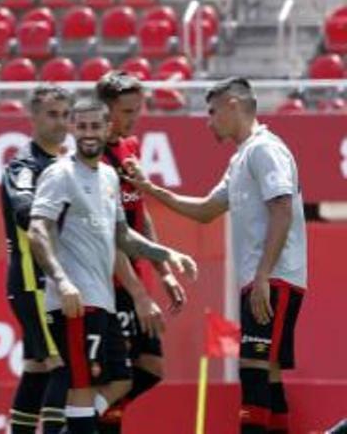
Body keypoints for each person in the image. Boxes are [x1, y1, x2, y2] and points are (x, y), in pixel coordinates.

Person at [122, 78, 307, 434]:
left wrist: (264, 276)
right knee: (265, 372)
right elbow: (206, 209)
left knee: (253, 368)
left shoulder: (264, 149)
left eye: (212, 111)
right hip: (265, 279)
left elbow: (282, 208)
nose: (208, 121)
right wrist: (148, 188)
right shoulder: (242, 158)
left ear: (234, 104)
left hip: (274, 279)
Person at [27, 99, 197, 434]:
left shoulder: (108, 177)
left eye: (96, 127)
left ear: (107, 129)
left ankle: (69, 428)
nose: (89, 133)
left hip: (101, 300)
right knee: (82, 388)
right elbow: (37, 230)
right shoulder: (59, 173)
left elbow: (122, 235)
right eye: (83, 126)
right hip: (75, 301)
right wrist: (62, 282)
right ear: (73, 128)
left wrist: (166, 255)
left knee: (121, 379)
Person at [95, 71, 187, 433]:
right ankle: (82, 420)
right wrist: (138, 293)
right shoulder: (94, 160)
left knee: (149, 367)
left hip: (133, 276)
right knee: (118, 372)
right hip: (108, 283)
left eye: (138, 109)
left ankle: (91, 417)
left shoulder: (129, 147)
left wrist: (163, 270)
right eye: (126, 111)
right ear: (105, 110)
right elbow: (108, 233)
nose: (134, 118)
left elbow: (139, 211)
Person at [1, 85, 72, 434]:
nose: (60, 122)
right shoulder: (25, 164)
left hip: (46, 280)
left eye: (64, 115)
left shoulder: (61, 163)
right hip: (35, 280)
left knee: (37, 368)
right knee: (64, 368)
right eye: (51, 114)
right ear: (33, 117)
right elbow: (24, 209)